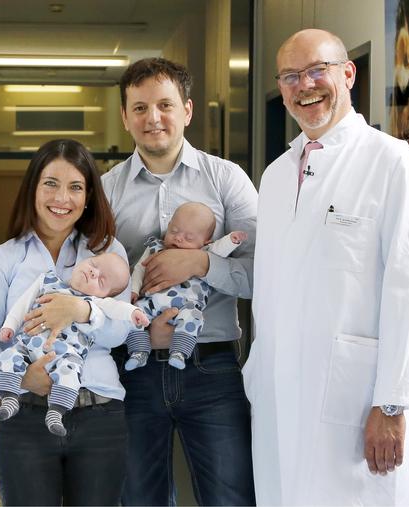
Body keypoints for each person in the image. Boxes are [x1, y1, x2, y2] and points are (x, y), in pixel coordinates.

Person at [245, 29, 409, 505]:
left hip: (356, 403)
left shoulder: (395, 165)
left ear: (348, 74)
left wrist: (392, 402)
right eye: (291, 76)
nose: (305, 85)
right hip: (277, 395)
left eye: (318, 70)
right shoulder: (274, 177)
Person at [101, 57, 257, 506]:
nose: (153, 118)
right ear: (125, 117)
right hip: (131, 369)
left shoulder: (227, 179)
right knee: (138, 498)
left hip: (213, 368)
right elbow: (90, 283)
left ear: (187, 110)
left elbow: (264, 274)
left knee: (231, 497)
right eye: (140, 108)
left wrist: (201, 266)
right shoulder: (106, 190)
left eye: (165, 105)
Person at [0, 139, 133, 505]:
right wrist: (18, 376)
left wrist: (81, 311)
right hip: (24, 417)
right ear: (33, 190)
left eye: (75, 187)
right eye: (51, 183)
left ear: (88, 196)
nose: (62, 198)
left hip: (100, 416)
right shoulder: (3, 259)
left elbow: (122, 331)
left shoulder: (108, 253)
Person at [0, 252, 149, 436]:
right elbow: (22, 304)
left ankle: (57, 412)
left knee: (71, 375)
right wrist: (9, 325)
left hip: (66, 355)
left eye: (100, 281)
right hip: (27, 346)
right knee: (9, 357)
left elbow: (117, 308)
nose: (93, 273)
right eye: (94, 264)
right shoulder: (47, 281)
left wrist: (133, 313)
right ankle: (9, 398)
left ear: (104, 294)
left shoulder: (95, 303)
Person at [127, 202, 247, 370]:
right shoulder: (155, 247)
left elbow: (219, 249)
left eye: (189, 238)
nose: (178, 238)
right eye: (174, 231)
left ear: (205, 241)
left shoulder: (205, 252)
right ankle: (138, 351)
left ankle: (180, 352)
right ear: (168, 226)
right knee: (133, 314)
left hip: (186, 306)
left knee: (194, 318)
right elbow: (140, 268)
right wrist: (133, 289)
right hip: (150, 302)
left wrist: (232, 241)